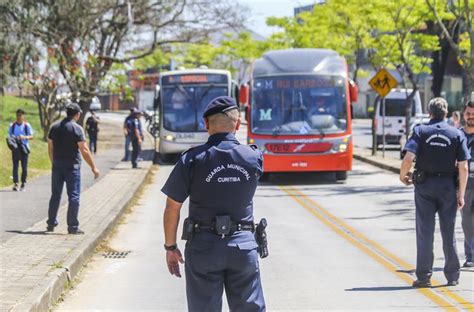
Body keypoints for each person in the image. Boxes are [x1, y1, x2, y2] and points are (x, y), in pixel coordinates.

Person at [161, 96, 266, 311]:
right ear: (237, 124)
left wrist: (171, 247)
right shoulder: (254, 157)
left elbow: (172, 208)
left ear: (205, 124)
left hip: (203, 248)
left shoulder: (191, 160)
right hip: (243, 247)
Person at [400, 97, 470, 287]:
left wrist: (402, 176)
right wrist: (461, 194)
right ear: (446, 113)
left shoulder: (420, 131)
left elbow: (408, 158)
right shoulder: (456, 134)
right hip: (448, 187)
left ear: (429, 113)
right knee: (449, 232)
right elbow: (464, 167)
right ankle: (453, 276)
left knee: (425, 232)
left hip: (425, 186)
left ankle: (423, 277)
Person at [46, 103, 100, 234]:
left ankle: (51, 224)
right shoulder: (77, 129)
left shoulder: (54, 127)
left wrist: (54, 162)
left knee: (55, 195)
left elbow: (50, 147)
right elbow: (84, 150)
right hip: (72, 167)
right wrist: (93, 167)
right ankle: (72, 227)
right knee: (74, 196)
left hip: (57, 166)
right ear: (77, 114)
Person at [461, 100, 474, 268]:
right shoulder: (458, 135)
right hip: (464, 186)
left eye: (473, 114)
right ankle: (470, 255)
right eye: (468, 113)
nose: (471, 117)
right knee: (467, 223)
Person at [8, 109, 33, 191]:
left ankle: (23, 182)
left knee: (24, 167)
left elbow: (31, 136)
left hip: (24, 148)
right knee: (15, 166)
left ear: (23, 116)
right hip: (15, 149)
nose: (18, 117)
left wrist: (24, 137)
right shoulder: (13, 126)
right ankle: (16, 183)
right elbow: (9, 137)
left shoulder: (26, 125)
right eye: (17, 115)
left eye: (20, 115)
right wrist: (14, 138)